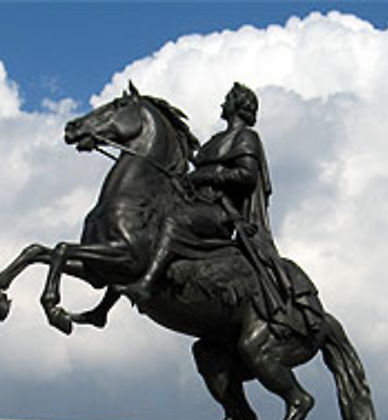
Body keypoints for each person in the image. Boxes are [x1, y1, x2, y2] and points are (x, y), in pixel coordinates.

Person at [119, 82, 293, 318]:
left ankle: (146, 284)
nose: (223, 104)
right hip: (198, 203)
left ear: (238, 105)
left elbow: (247, 176)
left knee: (172, 220)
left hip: (221, 211)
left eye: (228, 99)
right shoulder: (215, 139)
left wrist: (205, 175)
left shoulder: (246, 137)